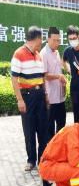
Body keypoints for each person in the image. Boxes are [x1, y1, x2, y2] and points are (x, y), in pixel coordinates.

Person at [11, 26, 48, 172]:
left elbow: (41, 78)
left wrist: (45, 96)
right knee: (29, 130)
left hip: (39, 96)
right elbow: (14, 79)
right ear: (36, 39)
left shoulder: (38, 55)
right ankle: (31, 160)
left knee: (42, 129)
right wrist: (20, 100)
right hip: (27, 97)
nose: (41, 43)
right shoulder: (19, 54)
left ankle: (42, 159)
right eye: (40, 40)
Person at [41, 26, 67, 141]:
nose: (57, 43)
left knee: (62, 125)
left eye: (59, 40)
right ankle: (51, 152)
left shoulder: (56, 52)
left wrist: (63, 82)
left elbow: (59, 69)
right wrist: (59, 76)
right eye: (55, 40)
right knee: (49, 128)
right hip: (50, 98)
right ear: (48, 39)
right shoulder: (43, 53)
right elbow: (44, 75)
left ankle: (59, 148)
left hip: (60, 97)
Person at [63, 25, 79, 124]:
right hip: (74, 86)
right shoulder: (68, 51)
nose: (72, 40)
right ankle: (77, 132)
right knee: (76, 112)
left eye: (74, 38)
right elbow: (63, 60)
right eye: (70, 39)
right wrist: (69, 70)